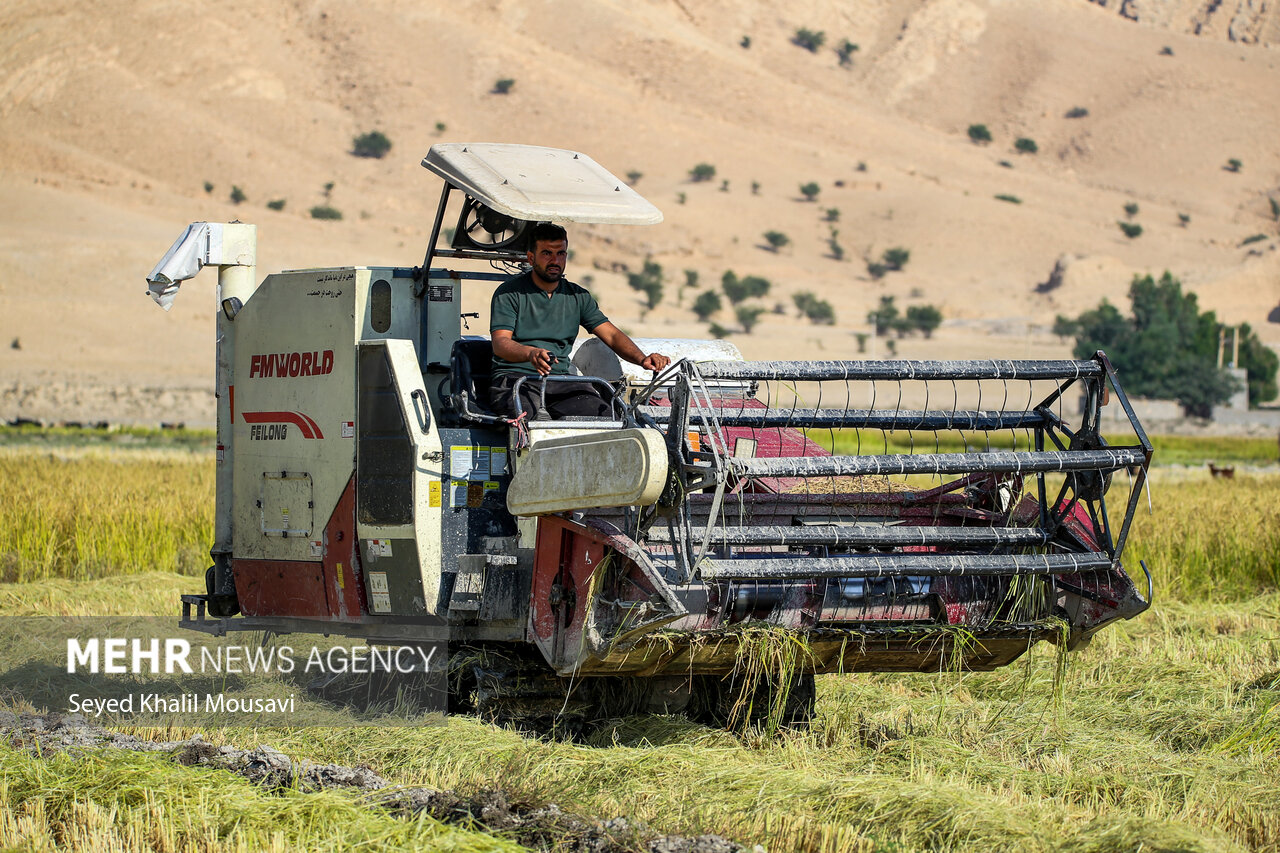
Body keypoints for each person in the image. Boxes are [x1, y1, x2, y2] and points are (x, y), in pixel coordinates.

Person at [488, 222, 670, 419]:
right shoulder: (509, 293)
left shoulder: (578, 296)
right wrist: (531, 353)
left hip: (561, 381)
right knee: (527, 419)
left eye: (561, 254)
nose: (555, 260)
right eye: (547, 253)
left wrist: (642, 359)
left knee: (606, 417)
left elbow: (611, 335)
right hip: (515, 380)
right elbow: (500, 343)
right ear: (531, 258)